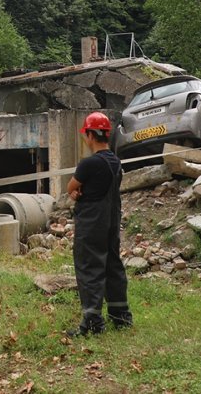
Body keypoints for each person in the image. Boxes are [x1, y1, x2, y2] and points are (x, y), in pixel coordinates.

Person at [65, 111, 132, 337]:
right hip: (111, 221)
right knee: (112, 264)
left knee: (89, 267)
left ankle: (93, 322)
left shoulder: (89, 163)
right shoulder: (115, 162)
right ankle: (120, 315)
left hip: (91, 223)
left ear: (90, 136)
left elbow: (70, 187)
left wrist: (77, 193)